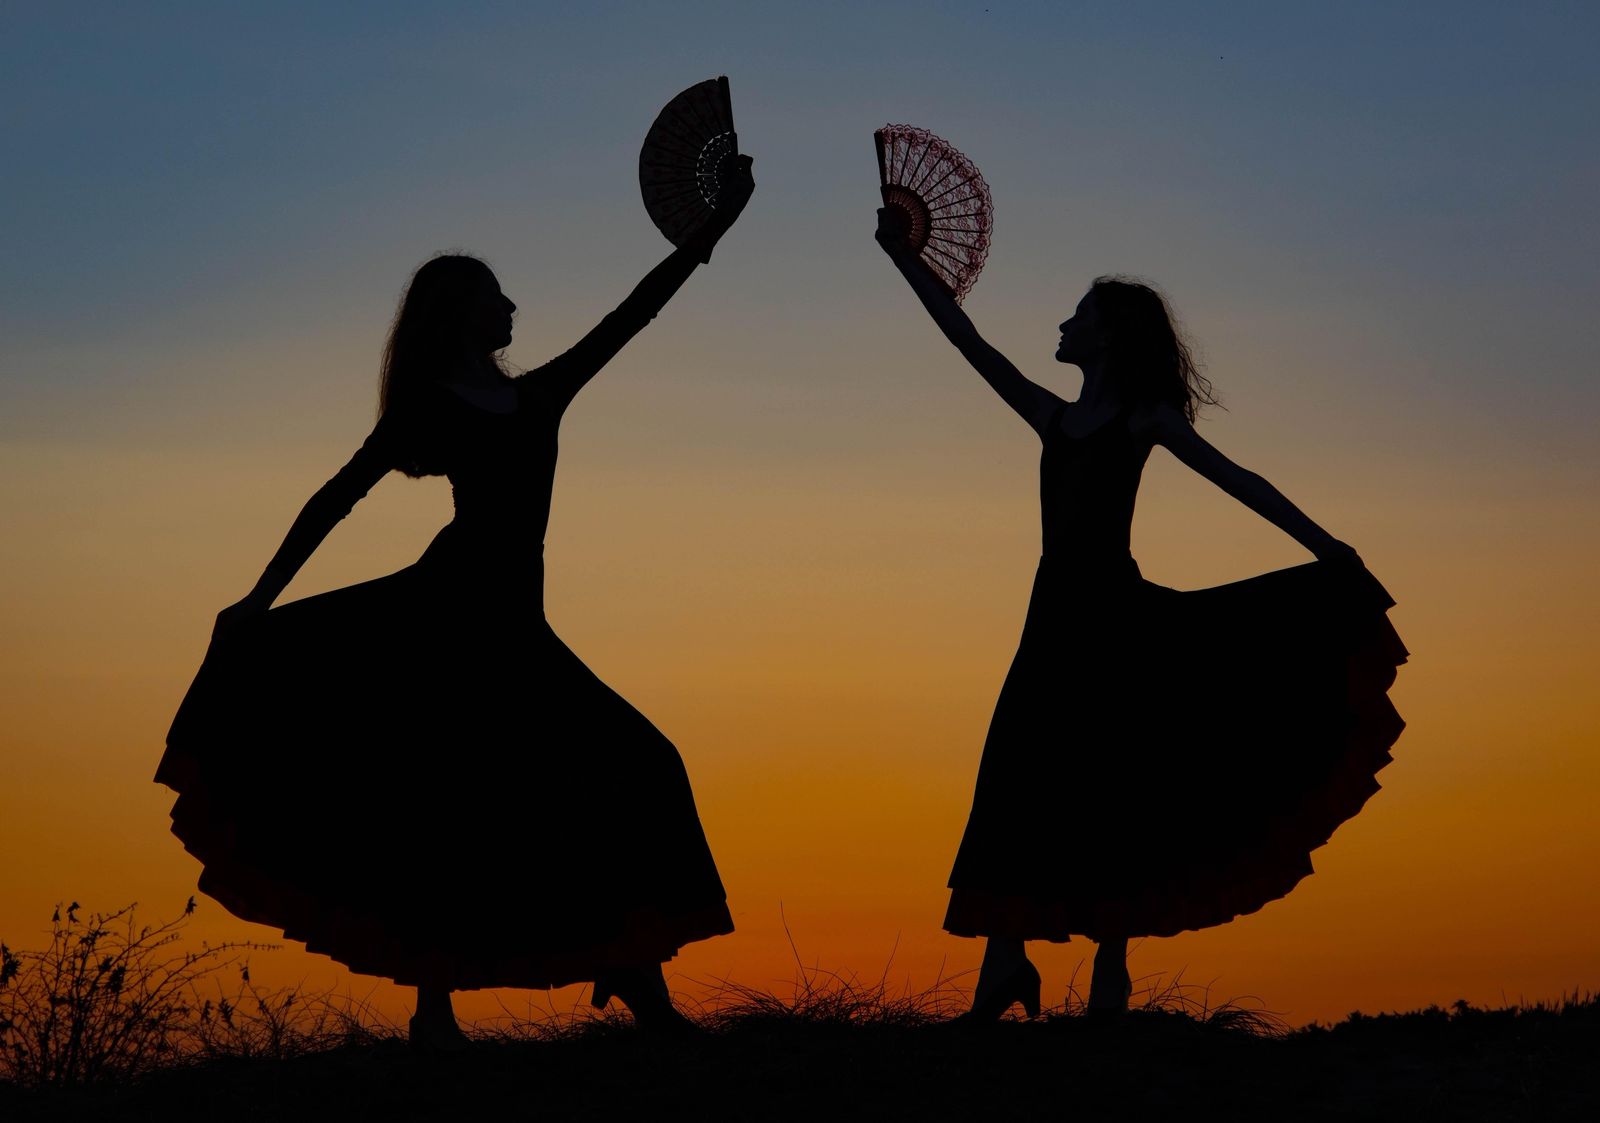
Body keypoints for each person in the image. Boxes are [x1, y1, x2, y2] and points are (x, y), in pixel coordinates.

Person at [157, 160, 754, 1046]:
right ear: (460, 313)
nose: (512, 306)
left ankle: (626, 964)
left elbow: (638, 309)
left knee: (626, 768)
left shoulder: (539, 393)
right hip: (443, 617)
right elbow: (336, 496)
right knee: (443, 803)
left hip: (513, 622)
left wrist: (717, 225)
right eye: (495, 295)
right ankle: (447, 1008)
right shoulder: (431, 408)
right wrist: (259, 597)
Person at [873, 207, 1406, 1018]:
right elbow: (965, 341)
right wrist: (903, 259)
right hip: (1052, 623)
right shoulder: (1053, 417)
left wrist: (1328, 546)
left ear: (1111, 336)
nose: (1062, 322)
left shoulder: (1142, 421)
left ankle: (1109, 966)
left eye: (1078, 314)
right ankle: (1006, 961)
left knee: (1120, 781)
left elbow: (1241, 480)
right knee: (1017, 777)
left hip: (1119, 623)